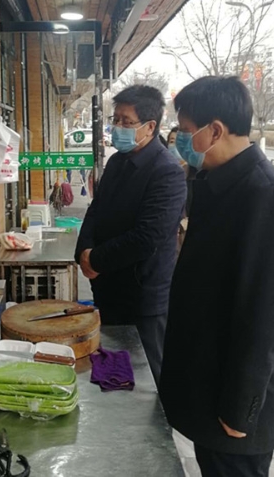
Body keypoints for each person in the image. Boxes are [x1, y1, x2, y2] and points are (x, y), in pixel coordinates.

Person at [159, 76, 274, 477]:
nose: (180, 140)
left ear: (215, 130)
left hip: (232, 403)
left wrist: (240, 410)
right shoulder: (216, 181)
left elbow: (265, 316)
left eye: (185, 130)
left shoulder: (266, 196)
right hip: (207, 382)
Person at [74, 85, 187, 383]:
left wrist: (96, 260)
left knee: (144, 377)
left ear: (150, 126)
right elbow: (96, 210)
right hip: (107, 288)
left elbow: (147, 237)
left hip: (141, 297)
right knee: (112, 370)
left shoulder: (167, 172)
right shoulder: (116, 162)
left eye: (127, 121)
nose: (118, 127)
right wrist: (83, 252)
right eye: (116, 120)